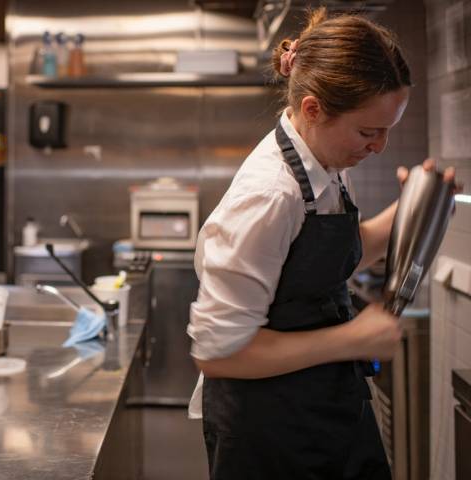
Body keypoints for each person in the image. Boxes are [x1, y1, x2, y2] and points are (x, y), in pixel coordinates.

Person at [187, 8, 457, 480]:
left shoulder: (322, 163)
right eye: (368, 131)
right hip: (270, 432)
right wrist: (349, 339)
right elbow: (219, 354)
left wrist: (418, 209)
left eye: (388, 129)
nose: (380, 146)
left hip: (326, 406)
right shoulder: (269, 196)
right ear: (313, 109)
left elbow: (335, 254)